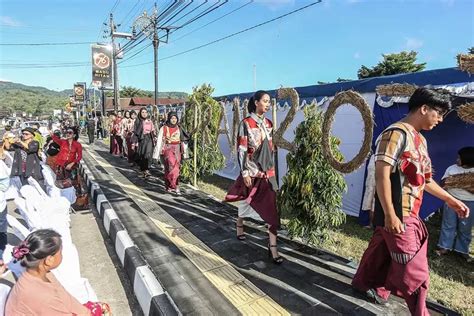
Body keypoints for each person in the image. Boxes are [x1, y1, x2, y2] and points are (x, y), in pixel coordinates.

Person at [351, 88, 470, 315]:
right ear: (424, 109)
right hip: (398, 212)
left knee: (380, 252)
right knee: (413, 270)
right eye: (439, 113)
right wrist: (390, 215)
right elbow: (381, 175)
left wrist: (450, 199)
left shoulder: (420, 140)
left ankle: (363, 283)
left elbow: (425, 179)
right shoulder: (395, 133)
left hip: (409, 211)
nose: (441, 119)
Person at [225, 90, 283, 265]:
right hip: (251, 170)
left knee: (272, 209)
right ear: (256, 102)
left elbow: (270, 148)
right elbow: (242, 149)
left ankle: (273, 248)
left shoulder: (269, 123)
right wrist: (244, 172)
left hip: (268, 172)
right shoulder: (246, 123)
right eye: (265, 101)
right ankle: (240, 223)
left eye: (268, 102)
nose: (267, 104)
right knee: (246, 201)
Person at [5, 229, 110, 315]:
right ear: (49, 260)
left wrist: (86, 313)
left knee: (101, 308)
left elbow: (66, 298)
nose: (62, 255)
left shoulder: (42, 274)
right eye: (60, 252)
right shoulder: (43, 297)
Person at [436, 146, 474, 262]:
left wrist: (461, 182)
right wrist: (460, 181)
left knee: (465, 227)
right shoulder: (451, 169)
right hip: (452, 200)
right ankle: (444, 246)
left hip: (470, 203)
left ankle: (462, 250)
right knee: (448, 224)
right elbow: (442, 183)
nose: (457, 160)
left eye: (459, 158)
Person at [154, 111, 189, 194]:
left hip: (177, 149)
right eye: (172, 118)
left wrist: (185, 153)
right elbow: (159, 141)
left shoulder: (180, 128)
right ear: (169, 118)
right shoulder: (164, 128)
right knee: (170, 166)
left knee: (176, 167)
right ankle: (172, 185)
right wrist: (156, 154)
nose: (174, 120)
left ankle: (175, 185)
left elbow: (184, 141)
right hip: (168, 149)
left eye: (175, 118)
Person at [50, 127, 83, 192]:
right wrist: (51, 133)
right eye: (67, 132)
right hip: (60, 166)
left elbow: (79, 157)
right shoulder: (62, 142)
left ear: (74, 135)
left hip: (71, 167)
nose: (68, 134)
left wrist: (72, 163)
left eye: (70, 133)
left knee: (72, 184)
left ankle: (74, 198)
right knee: (61, 185)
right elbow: (55, 139)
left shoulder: (78, 145)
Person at [133, 107, 155, 178]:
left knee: (148, 154)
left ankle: (147, 170)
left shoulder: (149, 120)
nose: (144, 114)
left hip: (149, 138)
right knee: (142, 154)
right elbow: (136, 132)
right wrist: (134, 142)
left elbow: (153, 130)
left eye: (145, 112)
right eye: (143, 112)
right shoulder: (138, 121)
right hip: (141, 139)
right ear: (140, 113)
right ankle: (143, 170)